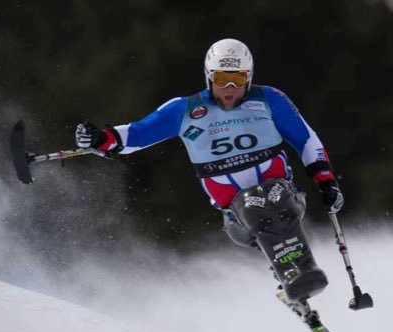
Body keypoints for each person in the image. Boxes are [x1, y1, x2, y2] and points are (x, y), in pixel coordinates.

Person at [75, 38, 344, 303]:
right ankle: (289, 273)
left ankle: (301, 272)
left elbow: (307, 139)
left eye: (237, 80)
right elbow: (136, 135)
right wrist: (100, 138)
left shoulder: (269, 99)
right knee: (255, 202)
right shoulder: (186, 109)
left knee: (270, 195)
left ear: (248, 78)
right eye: (221, 79)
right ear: (208, 77)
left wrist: (326, 182)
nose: (229, 88)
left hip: (284, 198)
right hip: (237, 216)